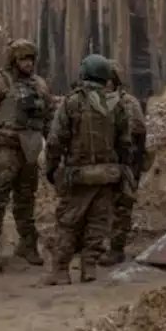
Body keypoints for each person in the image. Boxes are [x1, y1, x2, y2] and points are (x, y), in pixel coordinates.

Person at [41, 54, 133, 285]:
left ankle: (61, 270)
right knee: (97, 223)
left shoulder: (72, 102)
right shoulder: (117, 104)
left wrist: (51, 169)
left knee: (68, 223)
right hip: (108, 175)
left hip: (78, 175)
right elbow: (125, 142)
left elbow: (55, 140)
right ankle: (89, 268)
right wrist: (123, 170)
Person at [0, 39, 57, 272]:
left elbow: (50, 117)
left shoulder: (40, 85)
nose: (28, 63)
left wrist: (53, 145)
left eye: (31, 59)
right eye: (23, 59)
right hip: (5, 149)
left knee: (26, 198)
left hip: (30, 149)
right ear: (13, 60)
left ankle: (27, 244)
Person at [101, 58, 146, 266]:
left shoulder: (129, 103)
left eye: (109, 79)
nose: (105, 83)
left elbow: (139, 134)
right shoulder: (90, 101)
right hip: (99, 162)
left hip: (122, 162)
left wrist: (133, 167)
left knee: (121, 207)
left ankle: (116, 248)